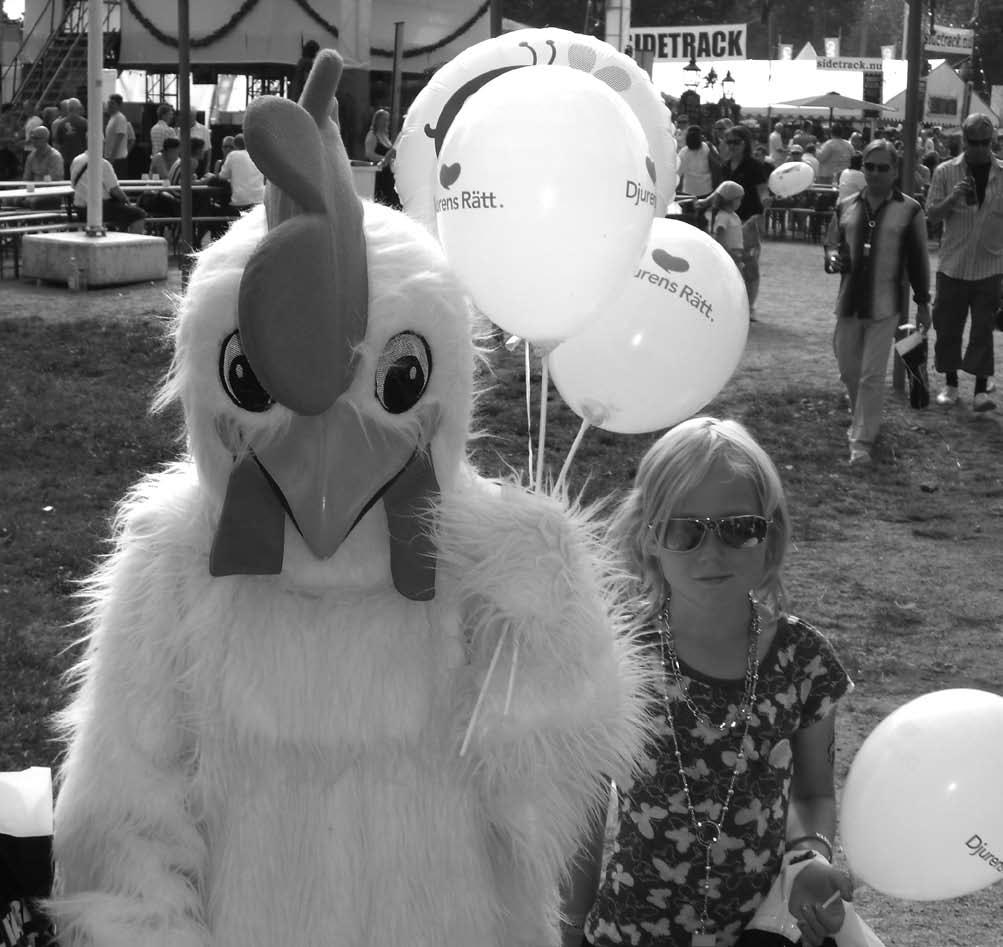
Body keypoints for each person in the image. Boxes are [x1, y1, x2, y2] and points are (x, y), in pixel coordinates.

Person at [563, 416, 854, 947]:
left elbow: (813, 790)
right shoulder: (615, 656)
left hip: (761, 931)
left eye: (740, 527)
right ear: (649, 538)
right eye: (685, 529)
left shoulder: (802, 660)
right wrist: (566, 929)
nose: (712, 551)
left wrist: (810, 855)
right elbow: (584, 811)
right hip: (629, 932)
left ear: (772, 534)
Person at [823, 139, 931, 466]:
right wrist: (832, 260)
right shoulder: (846, 205)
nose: (875, 173)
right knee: (848, 370)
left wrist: (923, 302)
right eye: (869, 166)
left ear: (896, 170)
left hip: (886, 305)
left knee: (871, 375)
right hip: (849, 302)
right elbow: (831, 246)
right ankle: (863, 421)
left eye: (883, 167)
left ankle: (861, 442)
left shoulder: (910, 210)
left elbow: (918, 260)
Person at [925, 112, 1002, 411]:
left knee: (983, 329)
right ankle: (951, 384)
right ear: (963, 141)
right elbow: (931, 214)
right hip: (953, 265)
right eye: (974, 142)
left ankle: (981, 390)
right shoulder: (945, 172)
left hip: (990, 265)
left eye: (985, 142)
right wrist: (952, 199)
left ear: (992, 141)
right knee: (948, 328)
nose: (980, 148)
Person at [707, 124, 770, 319]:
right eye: (729, 141)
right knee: (728, 264)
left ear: (745, 144)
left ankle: (749, 308)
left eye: (736, 142)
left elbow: (762, 190)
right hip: (727, 221)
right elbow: (720, 193)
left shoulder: (754, 166)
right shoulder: (725, 166)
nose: (732, 146)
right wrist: (705, 202)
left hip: (748, 220)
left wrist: (765, 203)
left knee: (749, 264)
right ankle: (732, 305)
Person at [69, 151, 147, 232]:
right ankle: (132, 243)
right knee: (139, 214)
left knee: (122, 212)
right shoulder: (103, 163)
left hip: (81, 211)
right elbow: (115, 190)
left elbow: (73, 185)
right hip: (98, 210)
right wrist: (128, 201)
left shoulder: (76, 160)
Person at [704, 180, 745, 271]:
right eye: (739, 199)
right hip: (728, 256)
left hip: (735, 254)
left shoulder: (733, 216)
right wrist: (731, 255)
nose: (740, 202)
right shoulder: (723, 217)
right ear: (730, 200)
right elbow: (719, 239)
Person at [364, 108, 400, 208]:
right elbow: (369, 154)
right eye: (384, 120)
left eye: (387, 120)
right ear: (378, 120)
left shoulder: (385, 136)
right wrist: (385, 159)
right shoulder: (372, 135)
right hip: (378, 175)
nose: (386, 122)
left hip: (388, 175)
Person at [218, 133, 264, 210]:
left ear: (235, 145)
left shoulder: (232, 155)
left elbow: (222, 176)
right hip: (260, 198)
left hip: (241, 200)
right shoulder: (257, 155)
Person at [677, 124, 717, 198]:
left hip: (688, 192)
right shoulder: (708, 148)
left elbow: (678, 173)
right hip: (707, 190)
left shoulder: (683, 152)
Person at [52, 97, 87, 177]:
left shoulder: (61, 124)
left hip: (66, 159)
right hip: (82, 159)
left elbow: (58, 143)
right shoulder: (85, 123)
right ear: (78, 108)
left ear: (68, 109)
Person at [104, 93, 133, 178]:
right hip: (111, 158)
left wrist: (112, 158)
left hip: (117, 159)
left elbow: (119, 139)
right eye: (109, 103)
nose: (109, 106)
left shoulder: (120, 118)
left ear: (119, 105)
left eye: (112, 104)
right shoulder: (112, 118)